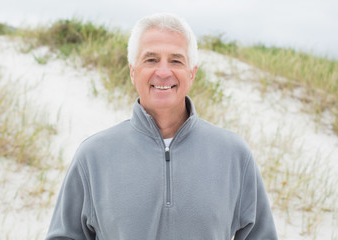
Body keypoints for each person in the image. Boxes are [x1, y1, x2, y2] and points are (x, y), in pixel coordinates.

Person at [46, 13, 278, 240]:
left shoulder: (234, 154)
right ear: (133, 72)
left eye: (176, 60)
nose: (164, 72)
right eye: (151, 59)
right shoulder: (93, 155)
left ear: (192, 73)